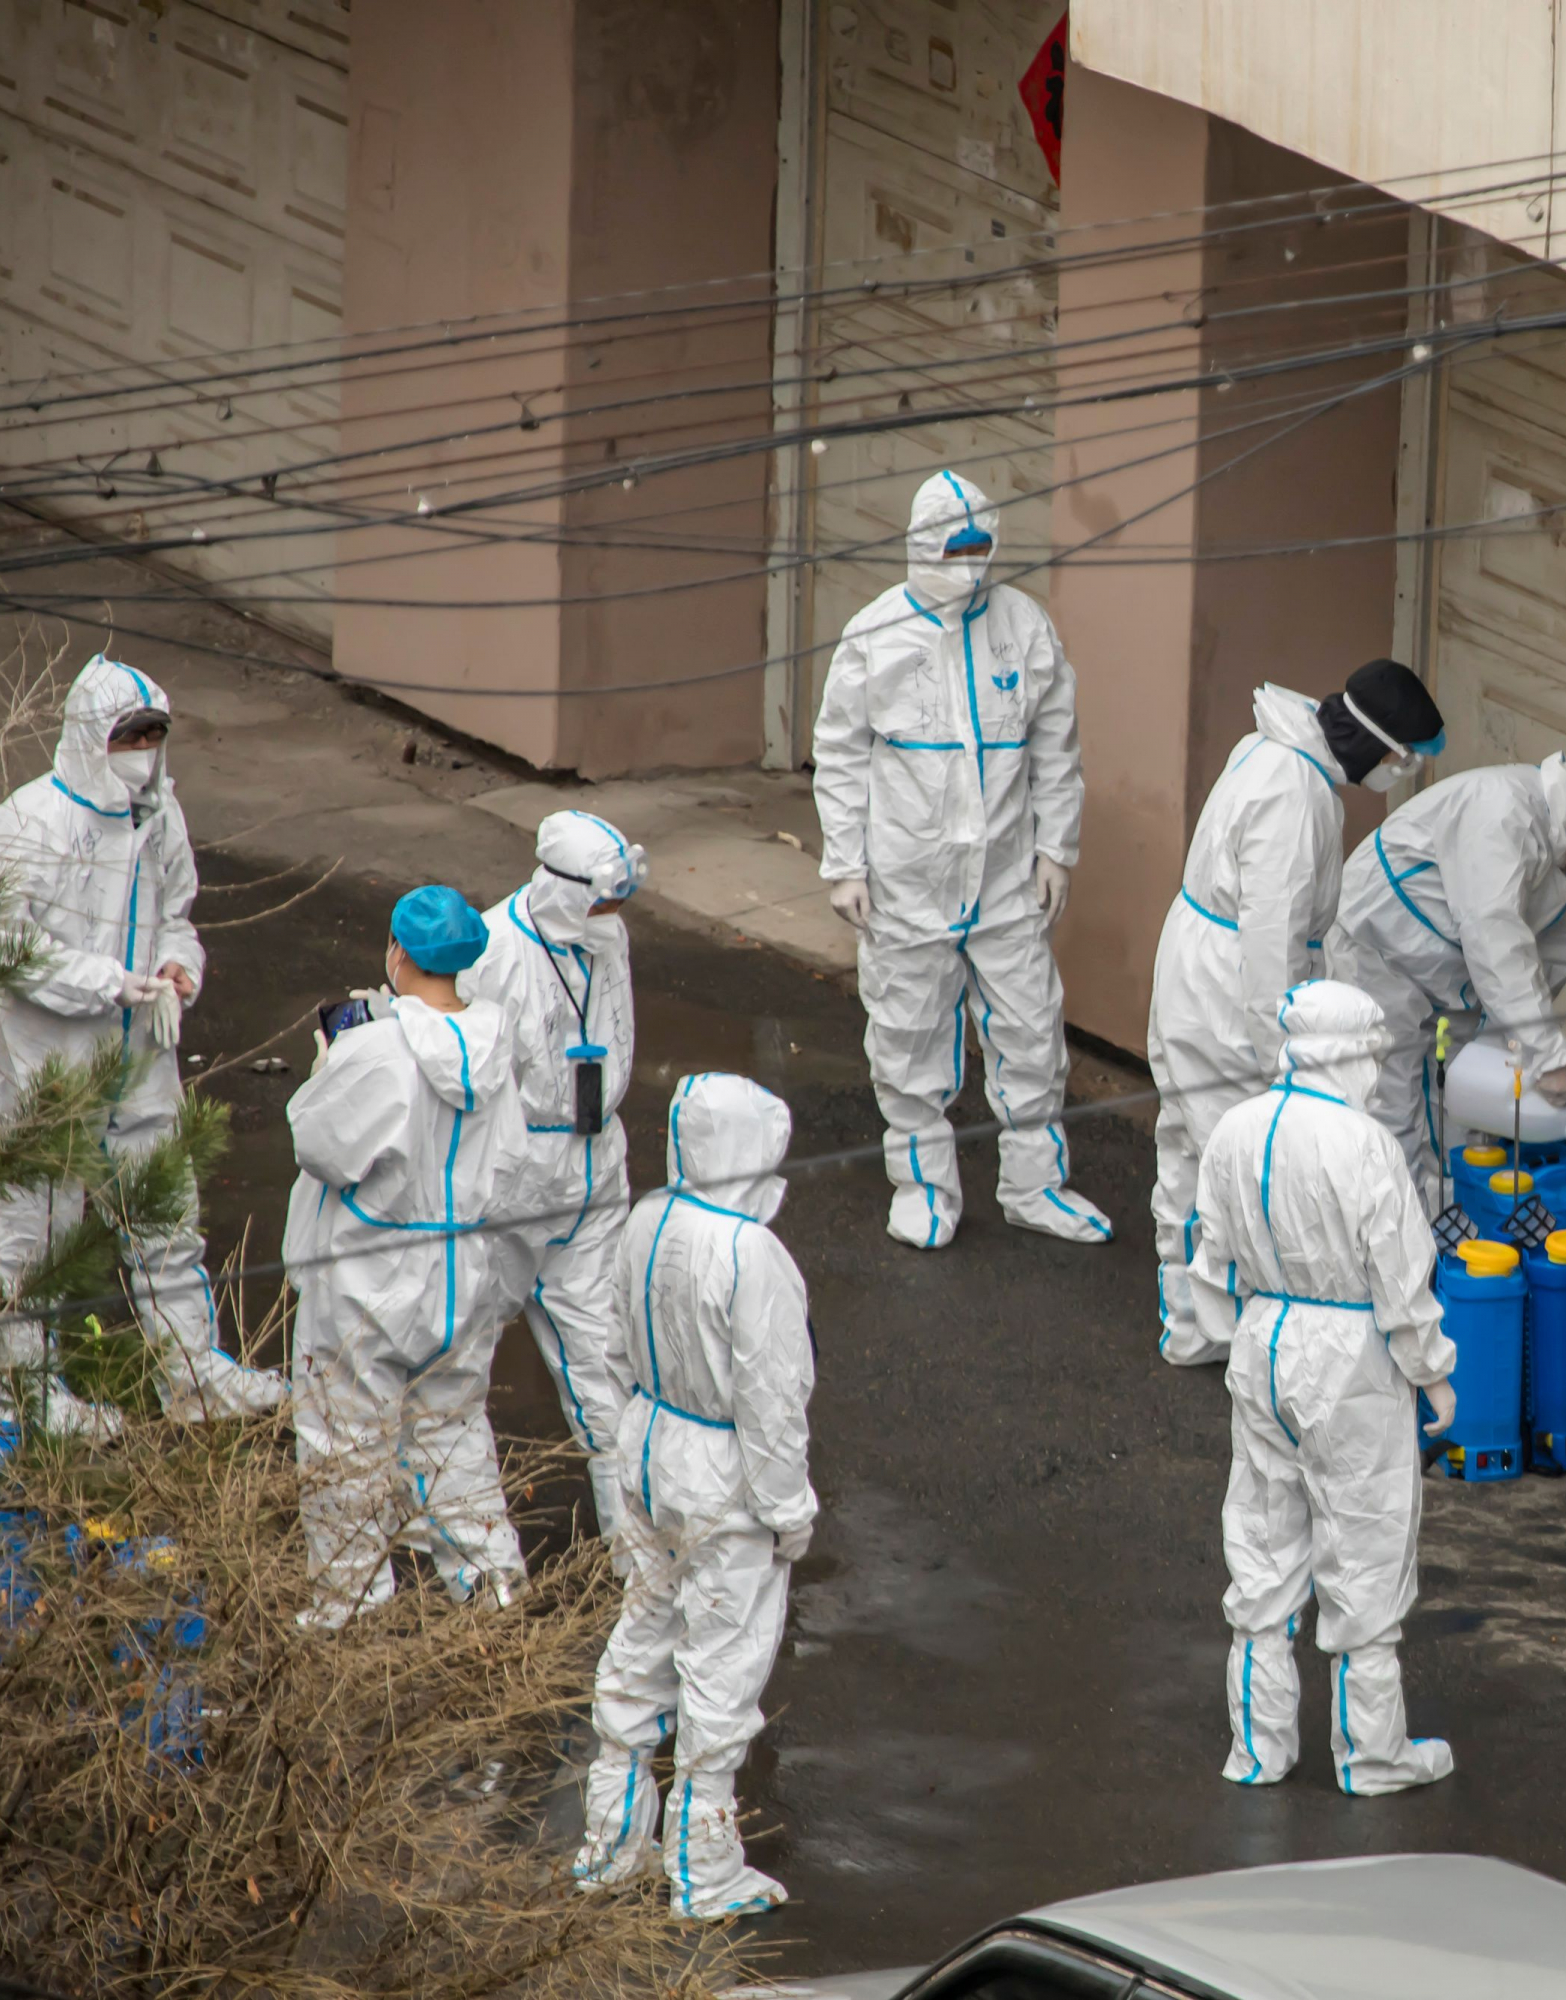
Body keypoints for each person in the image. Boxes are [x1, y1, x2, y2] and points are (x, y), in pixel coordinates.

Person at [0, 656, 282, 1433]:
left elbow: (177, 911)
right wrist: (109, 981)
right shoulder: (26, 825)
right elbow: (7, 947)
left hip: (141, 1052)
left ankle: (190, 1374)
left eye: (154, 734)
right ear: (90, 737)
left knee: (164, 1218)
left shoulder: (160, 818)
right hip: (43, 1065)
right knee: (32, 1234)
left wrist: (178, 966)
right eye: (129, 735)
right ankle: (29, 1397)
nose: (144, 750)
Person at [813, 468, 1108, 1250]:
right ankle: (921, 1185)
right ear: (920, 545)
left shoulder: (1022, 625)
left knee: (1033, 1031)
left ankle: (1035, 1184)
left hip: (1008, 879)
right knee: (908, 1036)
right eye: (955, 548)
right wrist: (846, 863)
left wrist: (1056, 848)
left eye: (982, 548)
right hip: (908, 882)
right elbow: (839, 754)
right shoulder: (875, 636)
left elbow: (1056, 743)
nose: (971, 565)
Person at [1189, 980, 1459, 1794]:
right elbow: (1402, 1280)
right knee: (1366, 1545)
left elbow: (1208, 1255)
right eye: (1373, 1054)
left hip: (1263, 1340)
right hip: (1350, 1353)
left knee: (1265, 1544)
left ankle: (1259, 1746)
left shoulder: (1235, 1129)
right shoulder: (1363, 1142)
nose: (1377, 1070)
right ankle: (1372, 1756)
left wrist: (1238, 1332)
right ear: (1349, 1053)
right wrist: (1433, 1370)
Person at [1147, 661, 1444, 1365]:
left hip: (1200, 964)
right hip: (1230, 989)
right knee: (1246, 1164)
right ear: (1380, 747)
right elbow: (1272, 938)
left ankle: (1192, 1324)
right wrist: (1284, 1050)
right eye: (1405, 759)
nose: (1401, 771)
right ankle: (1230, 1331)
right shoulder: (1295, 793)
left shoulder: (1275, 751)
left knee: (1193, 1149)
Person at [573, 1073, 815, 1920]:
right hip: (720, 1476)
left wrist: (628, 1439)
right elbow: (772, 1402)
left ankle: (609, 1843)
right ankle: (702, 1872)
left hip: (649, 1446)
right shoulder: (753, 1256)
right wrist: (789, 1511)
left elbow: (607, 1345)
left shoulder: (647, 1218)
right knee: (722, 1659)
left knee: (645, 1628)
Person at [286, 887, 532, 1627]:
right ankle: (493, 1593)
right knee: (452, 1433)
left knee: (347, 1448)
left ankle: (350, 1610)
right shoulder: (496, 1047)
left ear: (397, 950)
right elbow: (514, 1161)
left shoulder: (380, 1051)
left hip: (370, 1278)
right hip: (461, 1278)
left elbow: (320, 1146)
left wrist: (330, 1063)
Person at [1323, 755, 1566, 1203]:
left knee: (1457, 1103)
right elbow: (1496, 940)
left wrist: (1519, 1043)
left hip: (1454, 970)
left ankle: (1448, 1224)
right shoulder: (1503, 813)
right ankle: (1388, 1237)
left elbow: (1550, 962)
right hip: (1383, 948)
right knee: (1388, 1099)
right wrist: (1550, 1055)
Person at [463, 812, 644, 1535]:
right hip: (512, 1180)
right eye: (601, 900)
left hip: (593, 1167)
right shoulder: (493, 950)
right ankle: (477, 1563)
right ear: (563, 888)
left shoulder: (608, 937)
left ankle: (641, 1557)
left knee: (606, 1364)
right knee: (458, 1363)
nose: (611, 916)